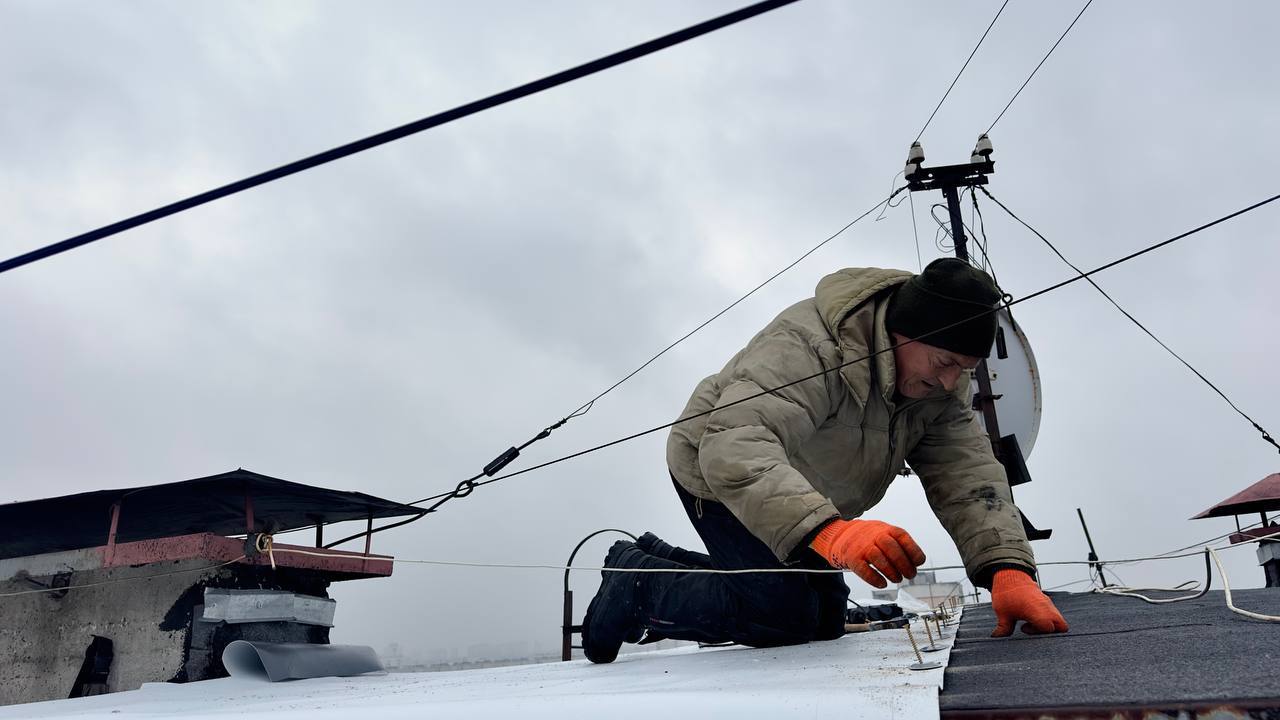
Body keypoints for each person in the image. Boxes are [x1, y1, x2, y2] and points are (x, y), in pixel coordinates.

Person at [582, 258, 1069, 663]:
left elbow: (966, 475)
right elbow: (735, 445)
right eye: (943, 363)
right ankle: (637, 586)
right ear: (902, 333)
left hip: (804, 497)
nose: (949, 382)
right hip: (719, 471)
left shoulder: (940, 390)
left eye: (963, 370)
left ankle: (659, 561)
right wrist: (833, 533)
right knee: (780, 616)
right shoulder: (810, 344)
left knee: (824, 619)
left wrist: (1007, 571)